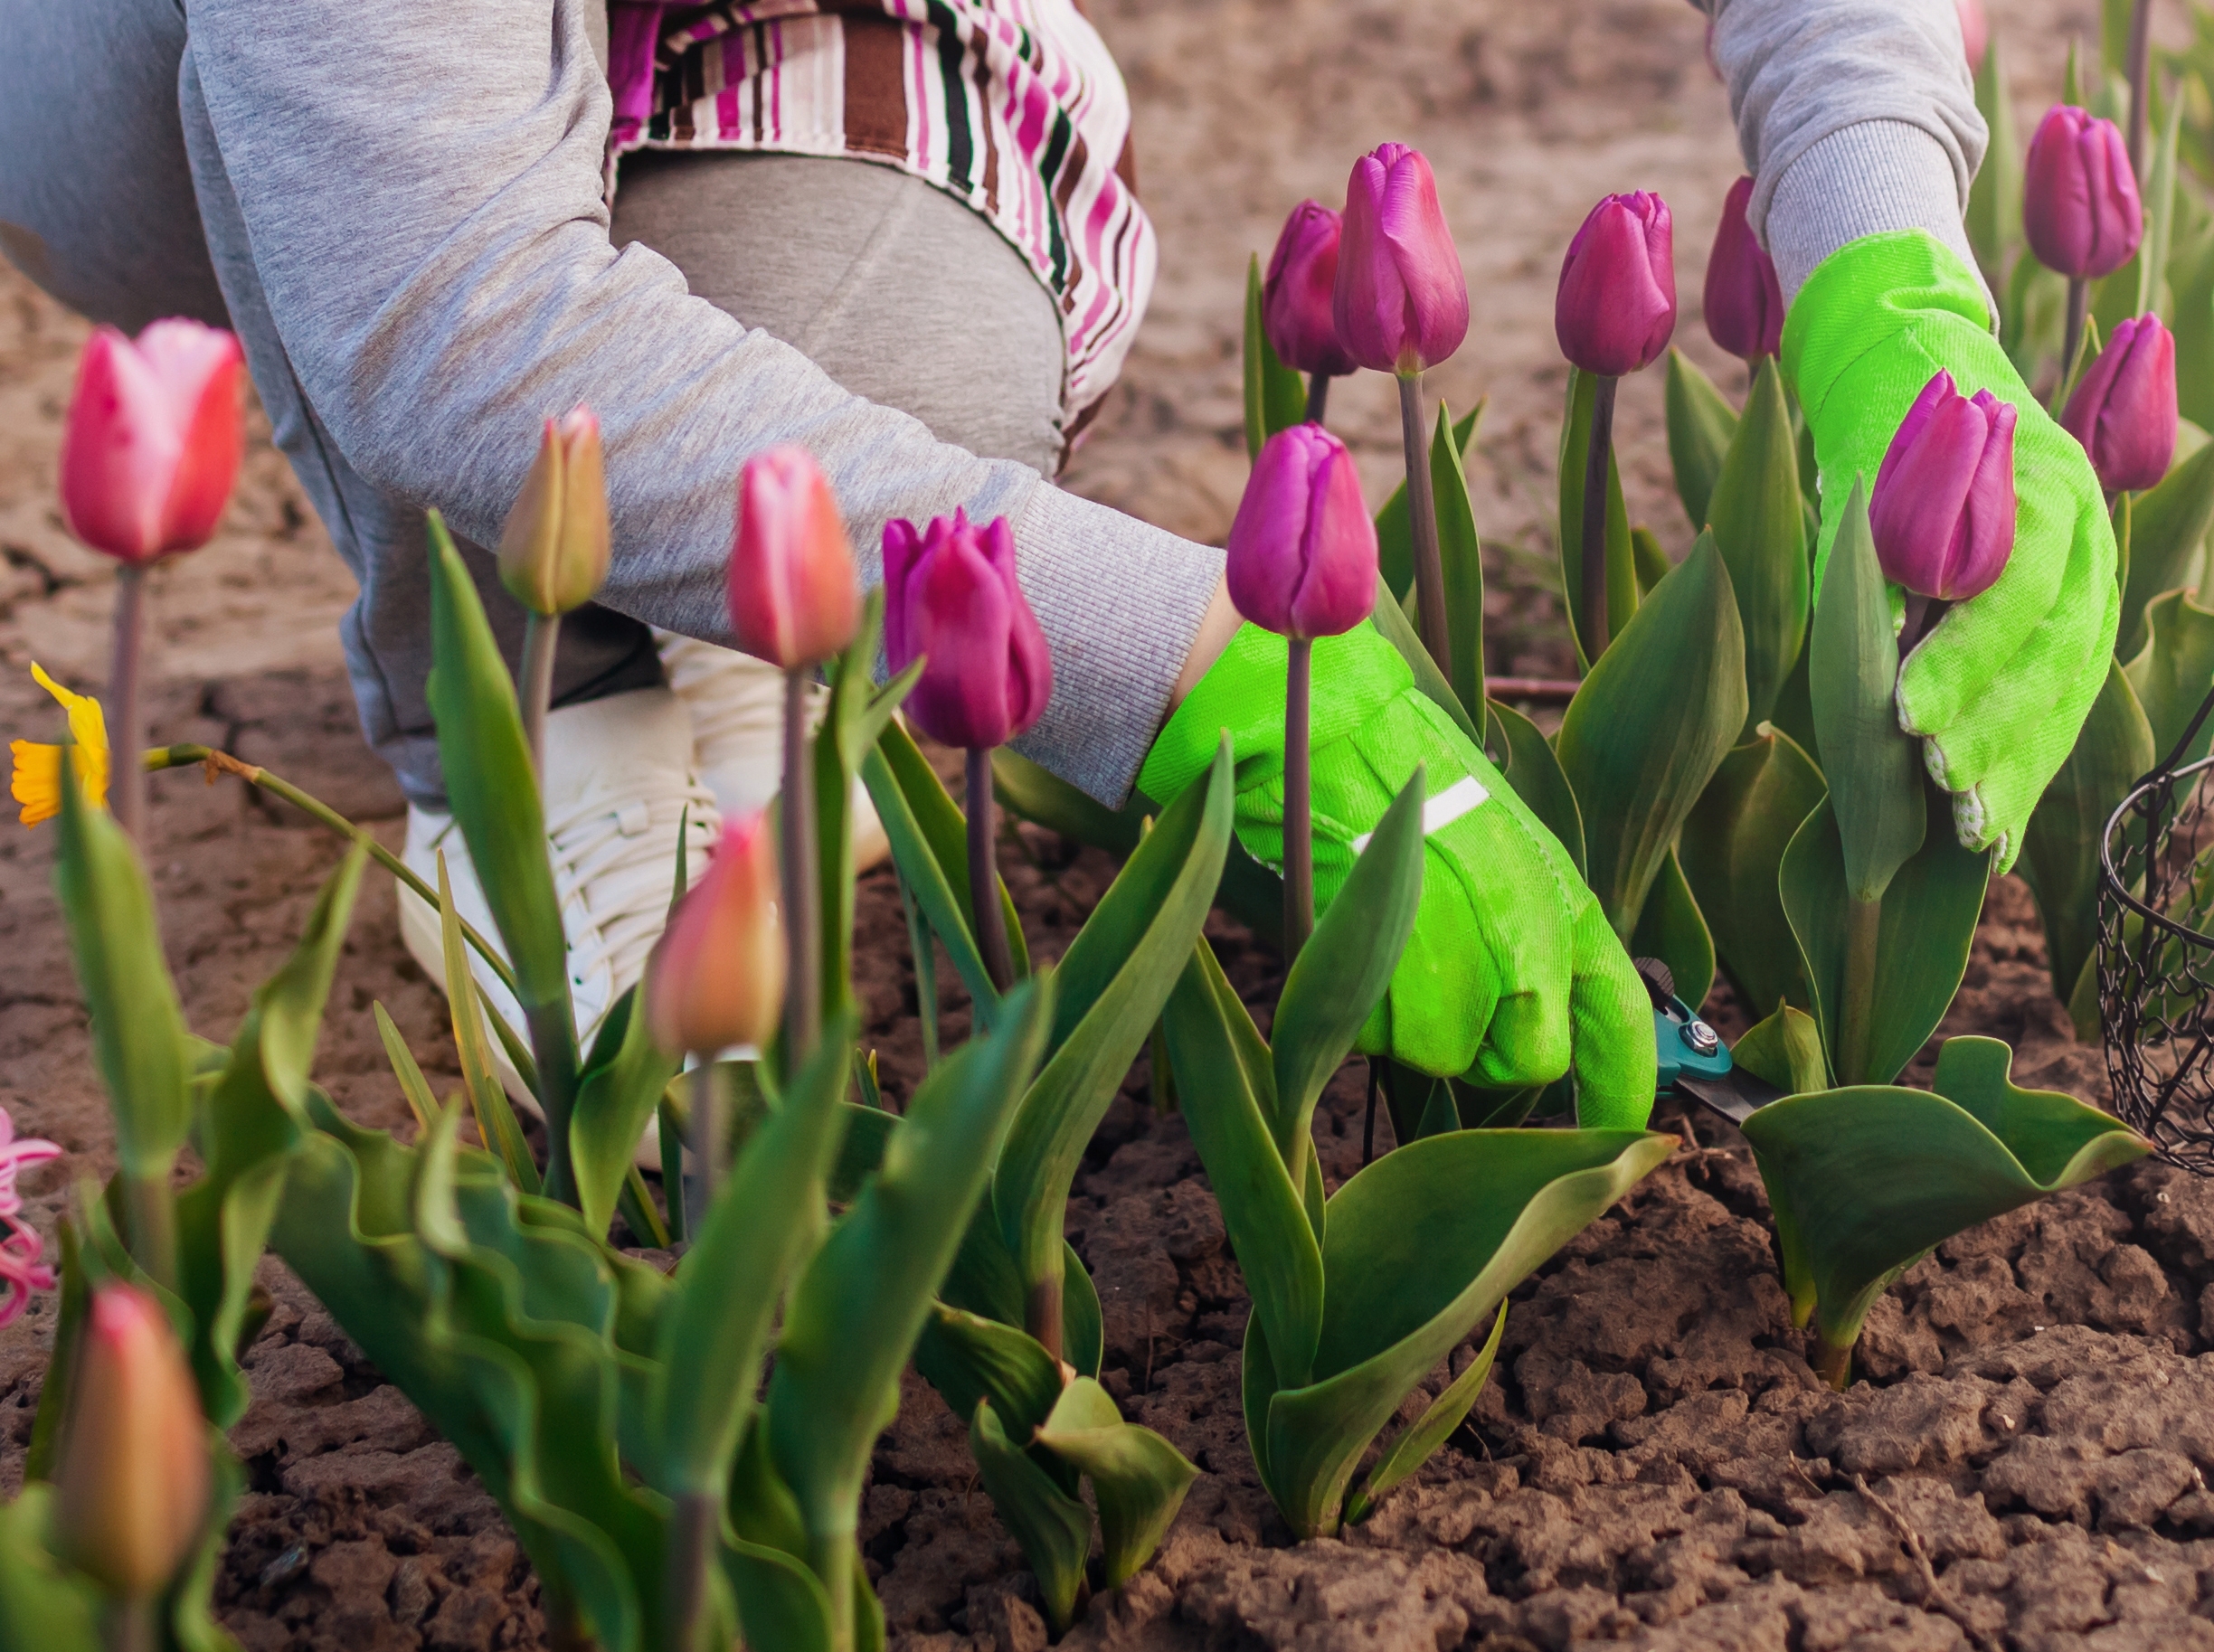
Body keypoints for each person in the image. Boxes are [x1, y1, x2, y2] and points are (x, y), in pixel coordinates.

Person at [0, 0, 2110, 1129]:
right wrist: (1172, 659)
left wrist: (1892, 278)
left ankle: (739, 598)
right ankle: (537, 718)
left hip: (754, 37)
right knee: (343, 202)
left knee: (914, 354)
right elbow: (439, 299)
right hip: (194, 82)